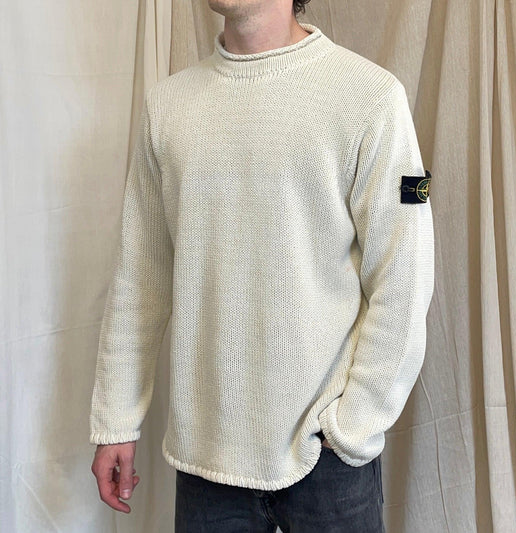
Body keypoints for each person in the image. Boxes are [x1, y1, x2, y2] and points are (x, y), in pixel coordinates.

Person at [89, 0, 434, 531]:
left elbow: (404, 275)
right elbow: (141, 278)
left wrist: (352, 426)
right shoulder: (169, 106)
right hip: (206, 461)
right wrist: (115, 420)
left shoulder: (370, 98)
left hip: (328, 459)